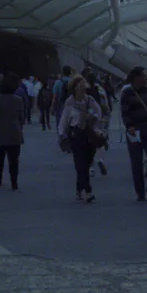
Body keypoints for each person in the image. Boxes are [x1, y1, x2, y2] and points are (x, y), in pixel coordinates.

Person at [57, 74, 104, 202]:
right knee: (80, 164)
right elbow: (64, 120)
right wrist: (61, 134)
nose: (83, 85)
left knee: (87, 163)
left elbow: (99, 113)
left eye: (84, 83)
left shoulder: (90, 100)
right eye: (80, 83)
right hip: (76, 134)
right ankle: (88, 191)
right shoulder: (69, 103)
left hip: (89, 134)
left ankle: (79, 188)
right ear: (75, 87)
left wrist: (91, 116)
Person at [120, 66, 147, 201]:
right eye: (142, 76)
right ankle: (140, 191)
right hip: (135, 131)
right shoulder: (127, 93)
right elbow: (124, 112)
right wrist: (129, 126)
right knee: (136, 161)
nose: (145, 79)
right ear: (136, 78)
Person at [0, 75, 24, 190]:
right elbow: (21, 118)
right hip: (14, 132)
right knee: (14, 159)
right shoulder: (18, 100)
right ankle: (14, 181)